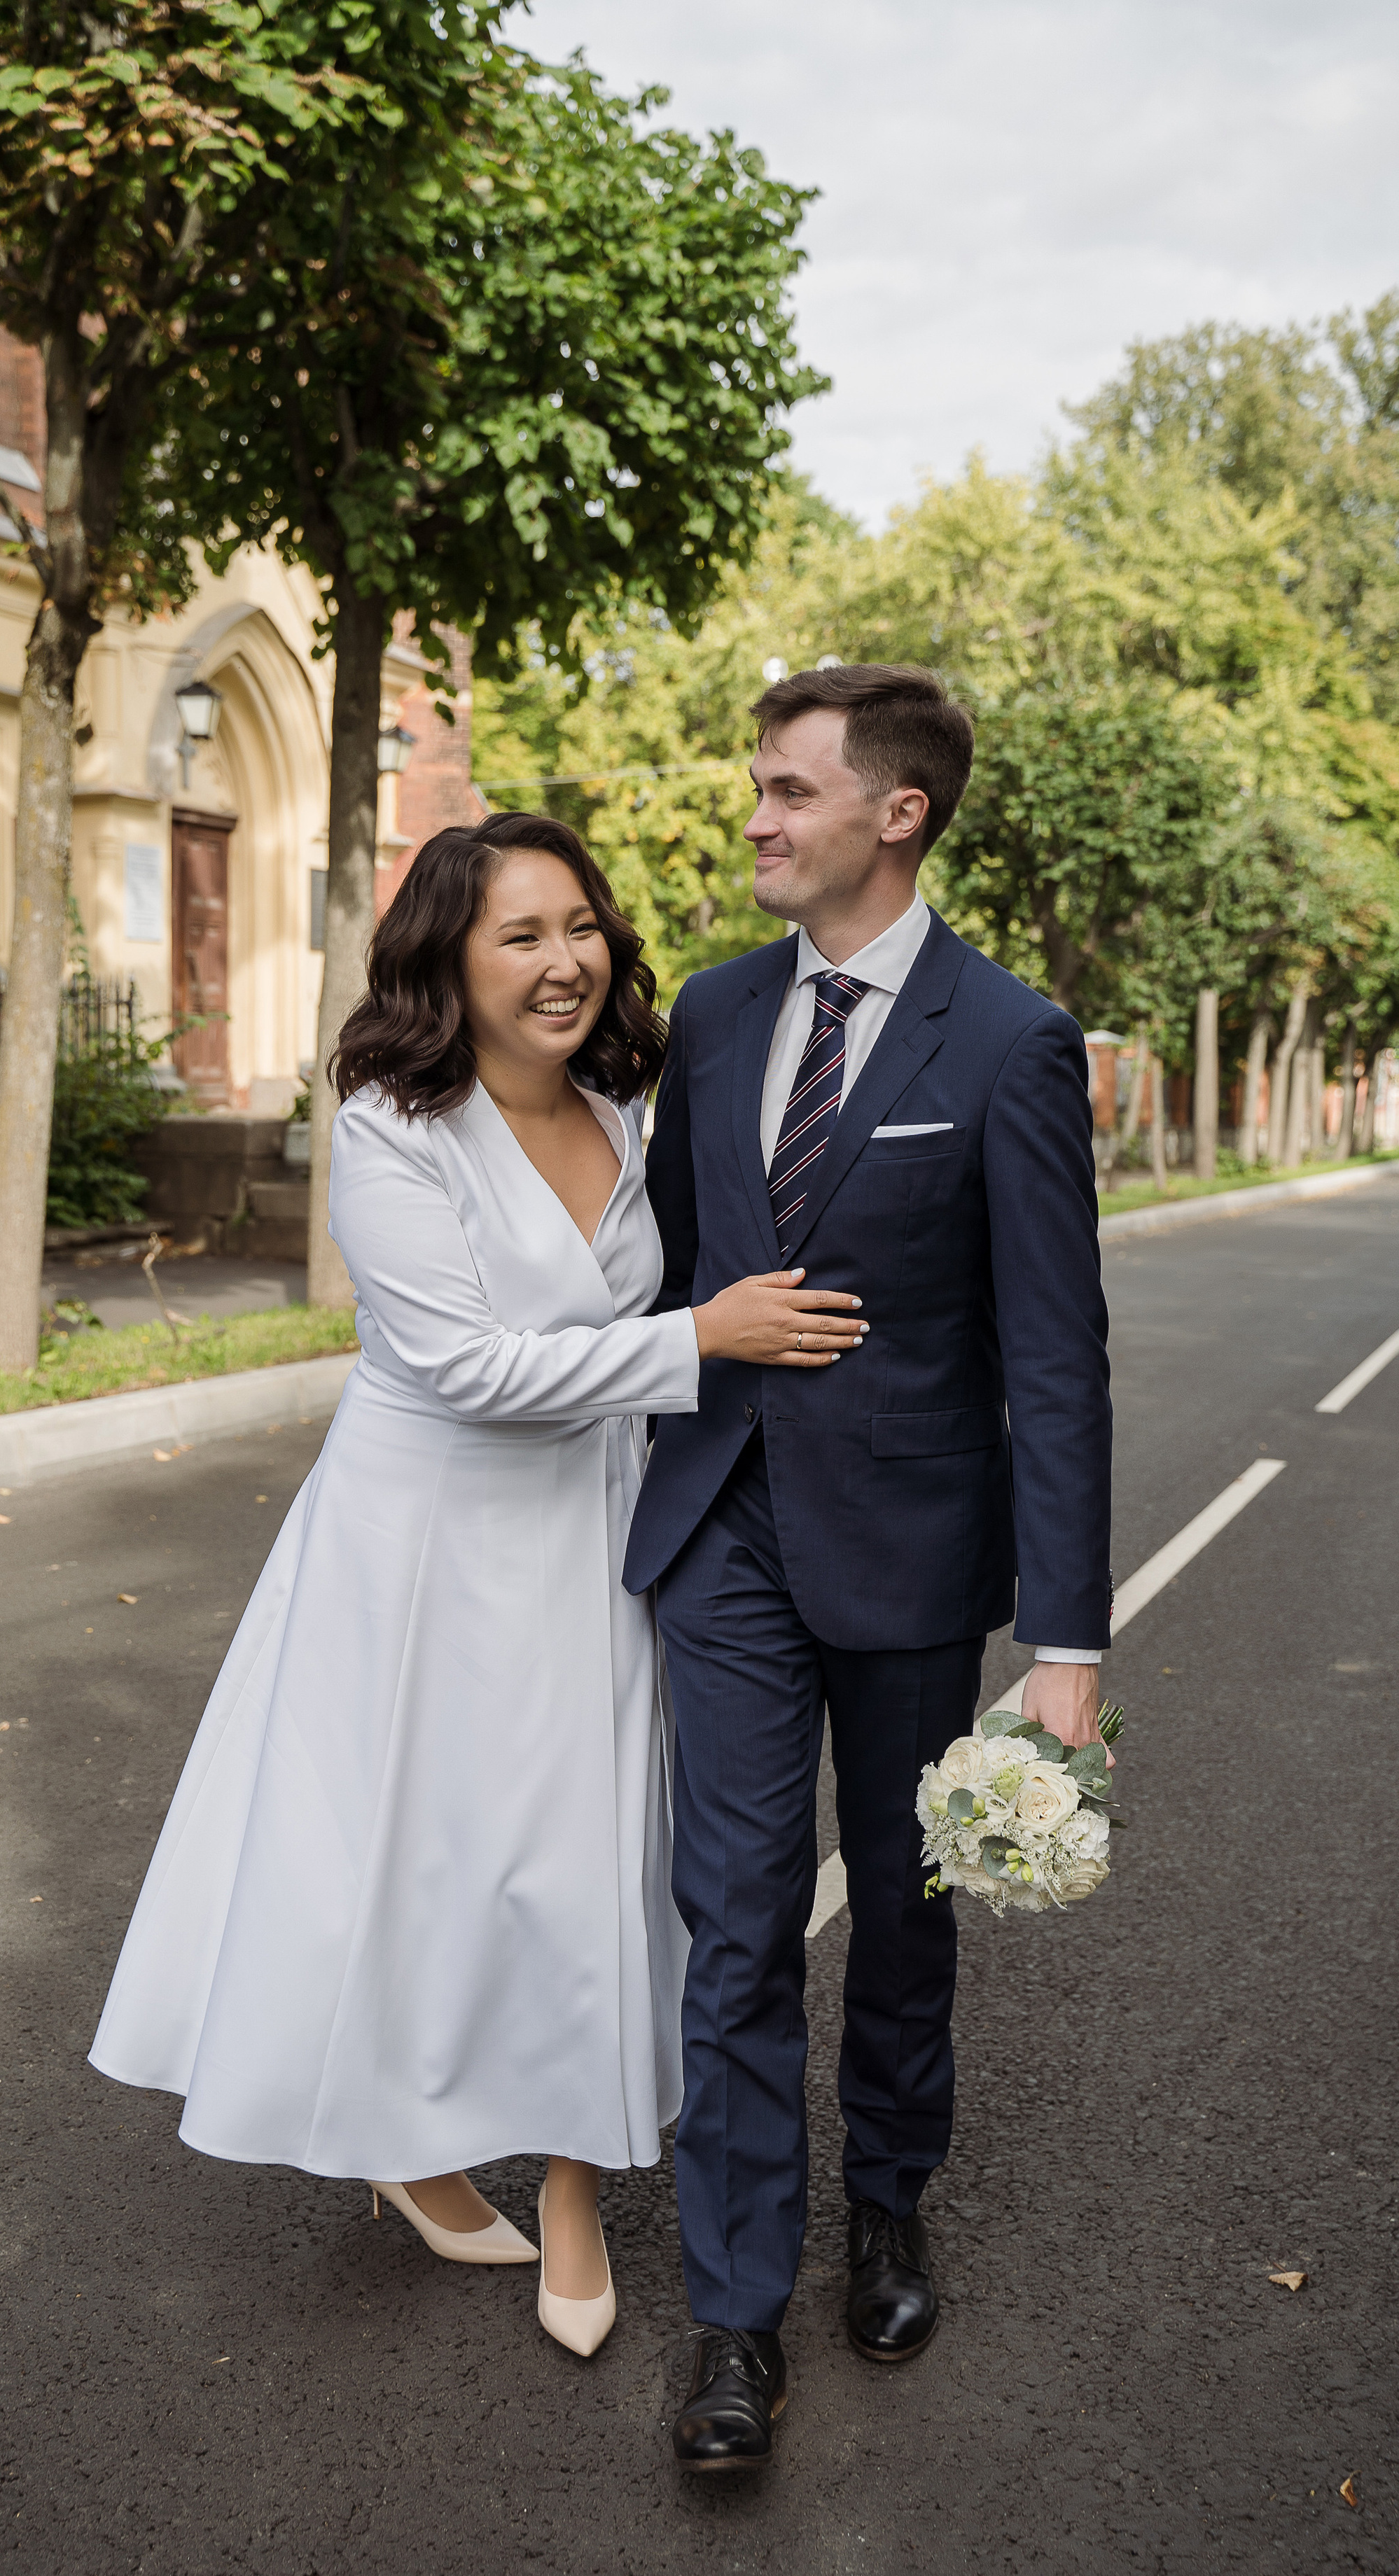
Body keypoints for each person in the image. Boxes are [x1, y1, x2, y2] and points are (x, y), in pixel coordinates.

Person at [90, 811, 867, 2357]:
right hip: (419, 1541)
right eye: (520, 935)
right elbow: (459, 1365)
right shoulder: (390, 1120)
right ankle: (411, 2144)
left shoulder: (625, 1109)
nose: (561, 960)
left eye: (578, 926)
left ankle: (575, 2185)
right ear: (448, 955)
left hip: (592, 1527)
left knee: (589, 1857)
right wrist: (701, 1337)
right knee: (408, 1857)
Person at [625, 664, 1113, 2468]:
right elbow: (672, 1276)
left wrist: (1062, 1637)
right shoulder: (708, 1011)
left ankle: (888, 2193)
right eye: (753, 788)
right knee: (737, 1917)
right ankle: (734, 2318)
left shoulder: (1005, 1040)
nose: (752, 815)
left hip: (914, 1548)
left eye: (783, 790)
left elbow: (1052, 1354)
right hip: (724, 1534)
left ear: (892, 813)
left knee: (899, 1915)